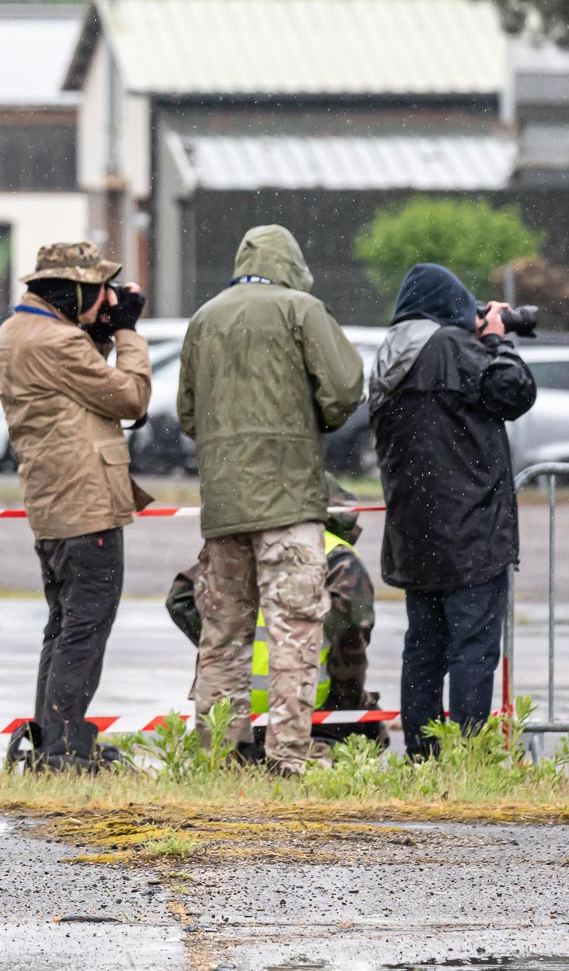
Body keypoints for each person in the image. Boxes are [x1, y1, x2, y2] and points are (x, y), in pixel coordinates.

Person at [178, 226, 364, 775]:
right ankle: (288, 754)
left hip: (225, 505)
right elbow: (345, 389)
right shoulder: (302, 310)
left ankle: (219, 756)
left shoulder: (204, 318)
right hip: (288, 503)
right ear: (292, 264)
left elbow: (188, 415)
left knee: (223, 636)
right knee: (296, 632)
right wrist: (312, 419)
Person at [0, 242, 151, 772]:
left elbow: (76, 388)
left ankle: (52, 740)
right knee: (85, 626)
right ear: (75, 289)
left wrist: (98, 331)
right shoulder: (59, 342)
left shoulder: (18, 331)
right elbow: (130, 398)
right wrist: (125, 330)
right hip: (86, 504)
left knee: (63, 624)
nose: (107, 295)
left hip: (53, 502)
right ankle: (64, 751)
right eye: (99, 288)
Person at [369, 263, 536, 758]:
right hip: (470, 534)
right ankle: (465, 759)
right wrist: (498, 337)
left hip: (415, 535)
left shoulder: (390, 354)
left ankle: (422, 757)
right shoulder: (448, 347)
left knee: (424, 650)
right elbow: (515, 391)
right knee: (472, 649)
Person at [167, 498, 384, 755]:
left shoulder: (239, 545)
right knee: (366, 731)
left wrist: (223, 648)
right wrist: (347, 697)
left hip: (234, 705)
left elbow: (180, 598)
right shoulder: (334, 554)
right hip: (304, 705)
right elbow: (353, 627)